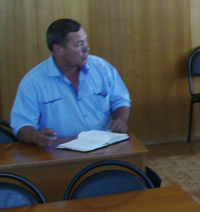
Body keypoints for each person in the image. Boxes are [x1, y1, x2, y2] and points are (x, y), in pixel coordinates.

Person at [10, 18, 131, 147]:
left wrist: (121, 119)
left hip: (105, 144)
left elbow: (120, 100)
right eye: (79, 44)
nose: (86, 48)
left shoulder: (101, 68)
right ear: (58, 49)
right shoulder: (33, 82)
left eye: (85, 40)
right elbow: (22, 125)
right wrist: (36, 136)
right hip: (59, 151)